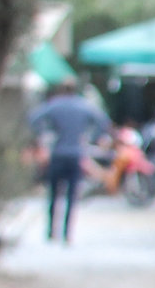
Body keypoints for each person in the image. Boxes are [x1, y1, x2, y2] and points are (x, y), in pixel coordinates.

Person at [26, 78, 108, 243]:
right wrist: (91, 136)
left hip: (57, 153)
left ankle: (50, 231)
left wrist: (45, 133)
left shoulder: (55, 105)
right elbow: (103, 121)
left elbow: (33, 118)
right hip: (76, 154)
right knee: (72, 196)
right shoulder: (83, 105)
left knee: (53, 194)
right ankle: (66, 233)